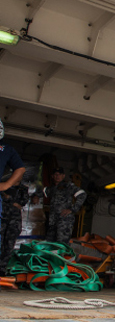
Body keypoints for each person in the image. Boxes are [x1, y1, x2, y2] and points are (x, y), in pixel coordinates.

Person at [0, 119, 26, 280]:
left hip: (12, 219)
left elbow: (20, 168)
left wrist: (7, 184)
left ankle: (1, 268)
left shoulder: (5, 149)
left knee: (6, 243)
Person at [43, 168, 86, 244]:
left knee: (61, 244)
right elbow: (41, 193)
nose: (57, 176)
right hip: (53, 221)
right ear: (52, 176)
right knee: (49, 243)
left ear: (63, 176)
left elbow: (82, 194)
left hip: (64, 222)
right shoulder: (52, 189)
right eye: (56, 174)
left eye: (60, 174)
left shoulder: (68, 186)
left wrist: (72, 209)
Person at [0, 181, 29, 275]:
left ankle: (3, 269)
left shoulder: (22, 189)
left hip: (14, 221)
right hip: (2, 219)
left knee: (9, 245)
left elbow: (23, 202)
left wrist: (9, 198)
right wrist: (12, 201)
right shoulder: (4, 186)